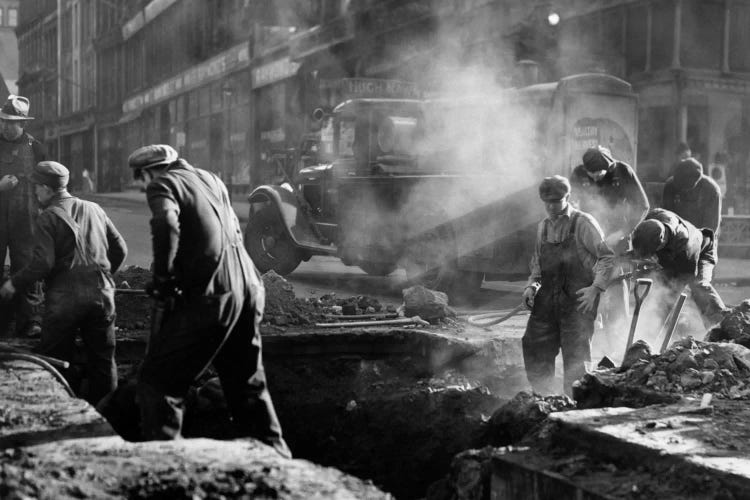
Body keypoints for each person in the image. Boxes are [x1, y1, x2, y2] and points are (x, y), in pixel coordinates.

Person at [128, 144, 290, 457]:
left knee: (157, 383)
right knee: (247, 383)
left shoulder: (164, 183)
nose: (142, 186)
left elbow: (165, 222)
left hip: (213, 296)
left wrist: (162, 279)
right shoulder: (210, 178)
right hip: (249, 289)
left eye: (141, 180)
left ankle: (165, 466)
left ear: (149, 172)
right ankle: (277, 461)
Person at [0, 161, 127, 405]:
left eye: (37, 188)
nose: (35, 193)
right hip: (103, 295)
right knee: (103, 361)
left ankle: (59, 411)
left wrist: (13, 284)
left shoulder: (47, 217)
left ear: (47, 189)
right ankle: (107, 416)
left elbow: (43, 264)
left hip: (65, 300)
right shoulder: (94, 208)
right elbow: (120, 248)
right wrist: (104, 277)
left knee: (54, 361)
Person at [522, 175, 615, 395]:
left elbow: (607, 258)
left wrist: (595, 289)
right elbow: (537, 263)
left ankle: (574, 406)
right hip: (547, 302)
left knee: (576, 359)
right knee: (535, 345)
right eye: (547, 203)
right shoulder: (542, 227)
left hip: (577, 304)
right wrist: (531, 285)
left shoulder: (583, 223)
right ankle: (543, 398)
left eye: (556, 202)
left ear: (568, 198)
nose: (551, 207)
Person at [569, 145, 649, 352]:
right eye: (591, 173)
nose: (595, 177)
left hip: (617, 240)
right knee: (585, 287)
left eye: (599, 173)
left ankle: (618, 347)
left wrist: (623, 232)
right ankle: (582, 346)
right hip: (587, 240)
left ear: (609, 166)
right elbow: (571, 204)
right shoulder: (578, 174)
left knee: (614, 291)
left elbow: (642, 206)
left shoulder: (623, 172)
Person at [630, 208, 728, 328]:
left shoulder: (685, 252)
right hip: (672, 255)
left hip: (703, 251)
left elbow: (673, 291)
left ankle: (721, 327)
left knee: (699, 286)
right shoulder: (654, 216)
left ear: (661, 242)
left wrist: (655, 328)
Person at [0, 95, 46, 337]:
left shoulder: (36, 148)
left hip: (26, 219)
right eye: (3, 121)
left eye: (12, 122)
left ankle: (29, 321)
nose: (6, 126)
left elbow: (48, 185)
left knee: (27, 266)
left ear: (23, 124)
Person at [662, 157, 721, 233]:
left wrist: (697, 240)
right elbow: (667, 215)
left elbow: (710, 226)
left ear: (696, 182)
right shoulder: (670, 186)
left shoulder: (711, 190)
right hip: (677, 234)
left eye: (686, 189)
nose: (683, 193)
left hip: (702, 236)